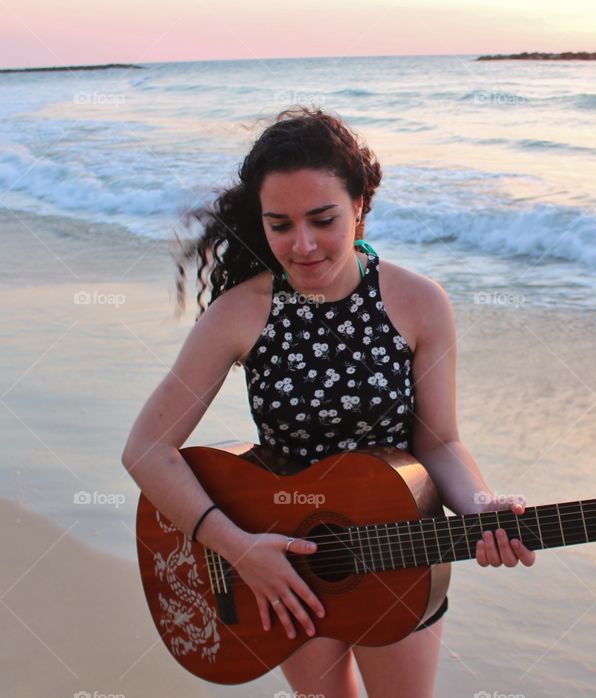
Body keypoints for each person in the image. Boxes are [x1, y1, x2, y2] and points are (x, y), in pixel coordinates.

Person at [121, 106, 536, 697]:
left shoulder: (420, 303)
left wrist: (481, 507)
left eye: (322, 219)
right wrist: (239, 549)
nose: (303, 244)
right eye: (280, 225)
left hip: (400, 557)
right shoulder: (240, 314)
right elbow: (146, 450)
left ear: (359, 206)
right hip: (282, 562)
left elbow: (439, 442)